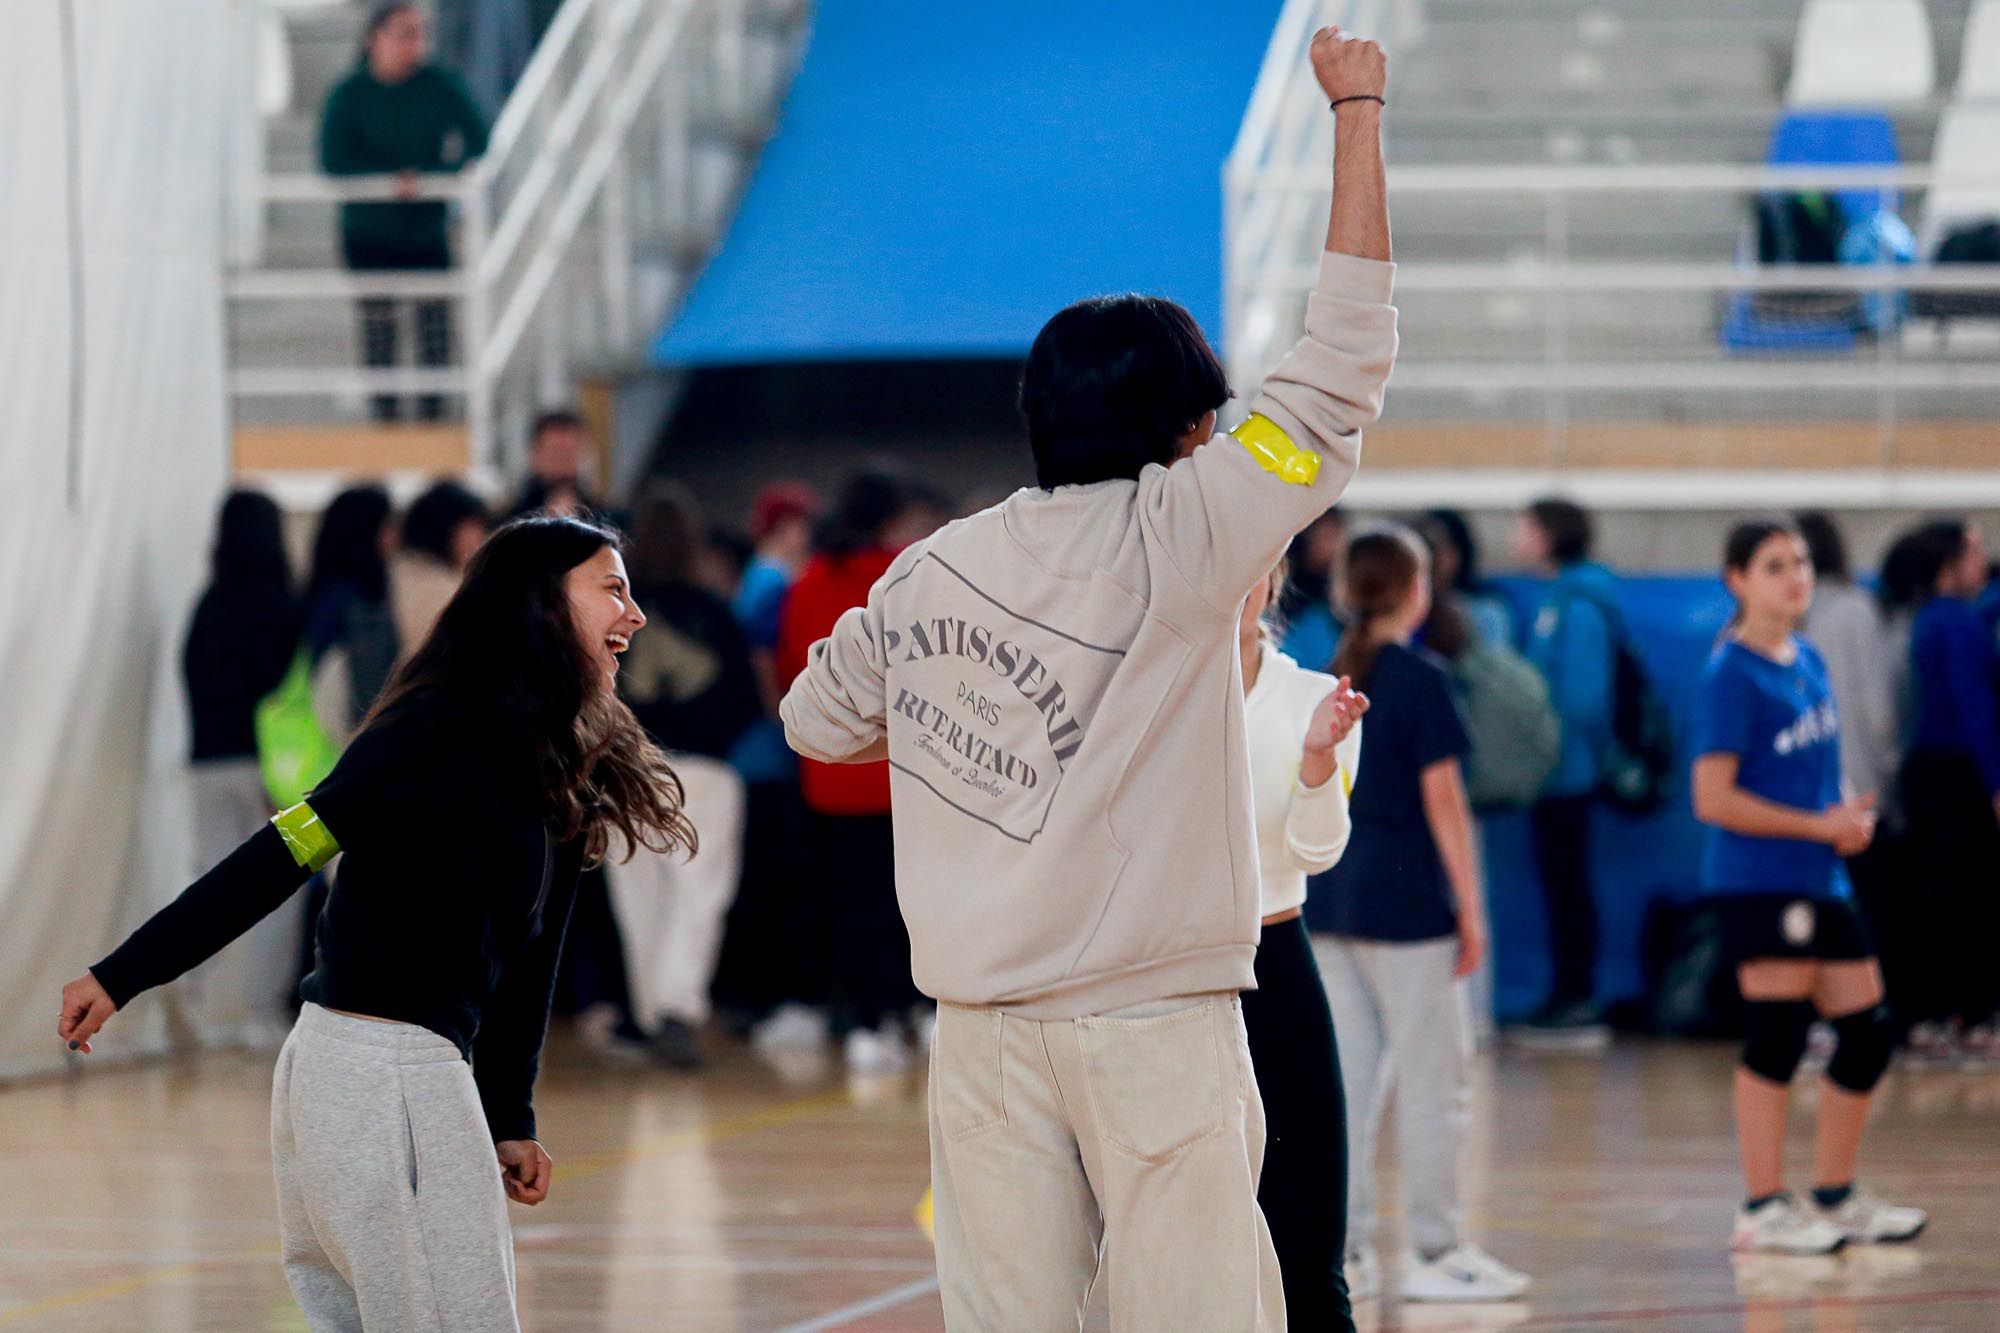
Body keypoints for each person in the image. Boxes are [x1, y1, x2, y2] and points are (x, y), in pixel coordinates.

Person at [780, 27, 1393, 1329]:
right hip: (1155, 1026)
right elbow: (1341, 371)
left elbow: (819, 722)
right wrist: (1357, 109)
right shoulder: (1192, 527)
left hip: (983, 1031)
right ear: (1187, 433)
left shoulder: (932, 568)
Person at [60, 516, 695, 1329]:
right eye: (613, 588)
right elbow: (280, 855)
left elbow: (530, 964)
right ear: (538, 602)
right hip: (372, 1074)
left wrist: (510, 1115)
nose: (635, 613)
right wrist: (124, 974)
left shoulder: (562, 757)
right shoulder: (434, 726)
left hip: (421, 1076)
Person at [1690, 516, 1926, 1255]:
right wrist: (1815, 826)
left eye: (1800, 563)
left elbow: (1826, 771)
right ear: (1738, 580)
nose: (1794, 576)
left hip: (1823, 875)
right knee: (1779, 1032)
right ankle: (1761, 1206)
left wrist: (1848, 814)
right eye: (1772, 565)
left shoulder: (1811, 658)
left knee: (1866, 1034)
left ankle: (1836, 1193)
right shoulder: (1731, 672)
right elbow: (1713, 798)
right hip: (1761, 881)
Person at [1309, 524, 1529, 1305]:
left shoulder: (1326, 674)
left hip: (1329, 900)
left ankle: (1349, 1251)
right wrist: (1473, 910)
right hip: (1406, 909)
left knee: (1349, 1086)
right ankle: (1437, 1249)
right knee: (1436, 1082)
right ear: (1417, 590)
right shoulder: (1423, 677)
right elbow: (1446, 802)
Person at [1237, 560, 1368, 1330]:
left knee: (1309, 1238)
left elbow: (1316, 853)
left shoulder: (1314, 696)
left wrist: (1318, 760)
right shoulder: (1149, 690)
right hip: (1170, 975)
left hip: (1276, 964)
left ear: (1272, 577)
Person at [776, 470, 931, 1074]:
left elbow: (795, 669)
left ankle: (866, 1020)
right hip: (910, 772)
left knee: (850, 904)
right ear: (895, 518)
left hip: (832, 775)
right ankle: (918, 1011)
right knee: (910, 902)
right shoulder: (913, 574)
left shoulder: (809, 580)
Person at [608, 484, 763, 1068]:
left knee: (638, 898)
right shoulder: (717, 612)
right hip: (703, 768)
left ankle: (650, 1017)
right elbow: (744, 697)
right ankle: (675, 1006)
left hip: (626, 768)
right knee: (698, 896)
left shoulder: (619, 615)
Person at [178, 491, 305, 1048]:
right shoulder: (281, 606)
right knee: (283, 888)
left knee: (210, 881)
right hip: (274, 768)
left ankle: (186, 989)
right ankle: (260, 1013)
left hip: (207, 761)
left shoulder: (206, 604)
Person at [320, 2, 489, 423]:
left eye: (419, 34)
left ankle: (433, 416)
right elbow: (333, 160)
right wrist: (389, 181)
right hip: (370, 234)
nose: (413, 45)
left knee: (434, 330)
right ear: (374, 39)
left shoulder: (438, 85)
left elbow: (478, 138)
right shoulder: (349, 94)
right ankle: (387, 419)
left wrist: (434, 177)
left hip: (425, 232)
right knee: (380, 332)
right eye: (403, 34)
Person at [1513, 495, 1616, 1044]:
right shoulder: (1558, 599)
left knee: (1569, 886)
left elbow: (1584, 700)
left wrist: (1546, 742)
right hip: (1552, 773)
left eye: (1525, 527)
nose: (1516, 537)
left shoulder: (1577, 606)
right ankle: (1566, 993)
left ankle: (1578, 1000)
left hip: (1568, 774)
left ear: (1551, 534)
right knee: (1560, 885)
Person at [1898, 519, 2000, 1064]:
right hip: (1952, 775)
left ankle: (1945, 1015)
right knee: (1958, 897)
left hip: (1939, 773)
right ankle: (1951, 1016)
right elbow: (1973, 708)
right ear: (1949, 565)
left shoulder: (1944, 618)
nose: (1984, 560)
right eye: (1976, 551)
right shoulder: (1955, 622)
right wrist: (1996, 783)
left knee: (1949, 895)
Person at [303, 484, 401, 739]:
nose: (393, 537)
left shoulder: (321, 592)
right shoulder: (355, 604)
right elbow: (370, 683)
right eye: (387, 526)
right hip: (353, 738)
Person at [391, 477, 492, 661]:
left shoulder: (432, 574)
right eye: (470, 528)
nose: (479, 538)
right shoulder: (426, 584)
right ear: (444, 529)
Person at [1280, 506, 1346, 670]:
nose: (1335, 545)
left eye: (1338, 535)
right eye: (1326, 536)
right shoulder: (1287, 590)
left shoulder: (1340, 591)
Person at [507, 410, 604, 520]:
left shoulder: (602, 517)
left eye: (569, 453)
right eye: (555, 453)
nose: (562, 462)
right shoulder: (510, 520)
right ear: (534, 455)